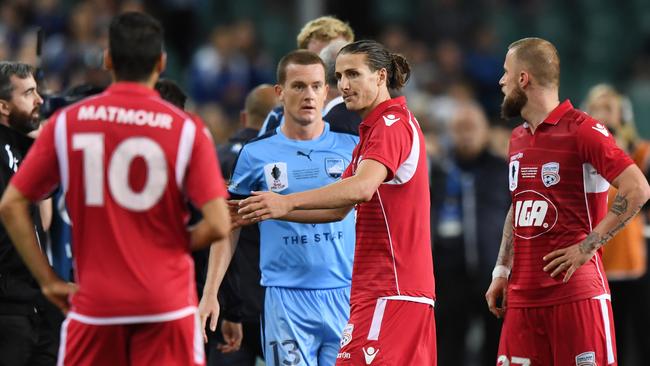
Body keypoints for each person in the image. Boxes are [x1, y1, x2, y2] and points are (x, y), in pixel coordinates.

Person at [0, 12, 231, 366]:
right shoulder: (187, 130)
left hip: (96, 308)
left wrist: (47, 281)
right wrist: (169, 245)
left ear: (108, 60)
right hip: (166, 306)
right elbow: (218, 223)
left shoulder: (67, 124)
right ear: (162, 62)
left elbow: (13, 204)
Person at [238, 40, 437, 366]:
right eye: (340, 75)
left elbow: (361, 189)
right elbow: (338, 208)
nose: (343, 85)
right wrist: (271, 209)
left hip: (391, 288)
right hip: (384, 291)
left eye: (354, 74)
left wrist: (287, 204)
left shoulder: (391, 125)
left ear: (380, 76)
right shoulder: (370, 135)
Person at [485, 37, 650, 365]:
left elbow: (638, 189)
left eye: (506, 72)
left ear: (523, 78)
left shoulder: (584, 130)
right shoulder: (517, 138)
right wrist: (502, 269)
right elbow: (519, 205)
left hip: (576, 296)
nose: (501, 81)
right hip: (522, 298)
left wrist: (588, 246)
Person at [202, 50, 358, 366]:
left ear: (326, 92)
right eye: (298, 86)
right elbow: (230, 223)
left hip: (347, 295)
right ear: (280, 93)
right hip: (286, 299)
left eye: (316, 86)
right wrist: (211, 293)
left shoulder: (351, 148)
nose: (309, 95)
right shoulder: (256, 155)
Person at [430, 102, 508, 366]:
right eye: (460, 128)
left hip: (494, 276)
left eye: (472, 127)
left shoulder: (502, 170)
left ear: (486, 131)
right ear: (450, 132)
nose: (466, 134)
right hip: (448, 276)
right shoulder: (438, 171)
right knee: (448, 349)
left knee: (496, 350)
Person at [206, 84, 278, 366]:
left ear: (245, 117)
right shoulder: (278, 160)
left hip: (225, 301)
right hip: (273, 299)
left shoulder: (211, 158)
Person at [584, 84, 650, 366]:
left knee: (641, 336)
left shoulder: (637, 152)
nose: (602, 113)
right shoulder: (581, 153)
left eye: (609, 107)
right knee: (608, 342)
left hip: (632, 260)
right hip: (596, 261)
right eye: (596, 107)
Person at [0, 61, 59, 366]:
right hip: (7, 308)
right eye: (29, 93)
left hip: (34, 305)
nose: (39, 100)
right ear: (3, 106)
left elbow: (44, 222)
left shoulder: (20, 152)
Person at [258, 15, 359, 136]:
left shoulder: (371, 112)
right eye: (316, 59)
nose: (327, 66)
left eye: (335, 55)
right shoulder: (279, 116)